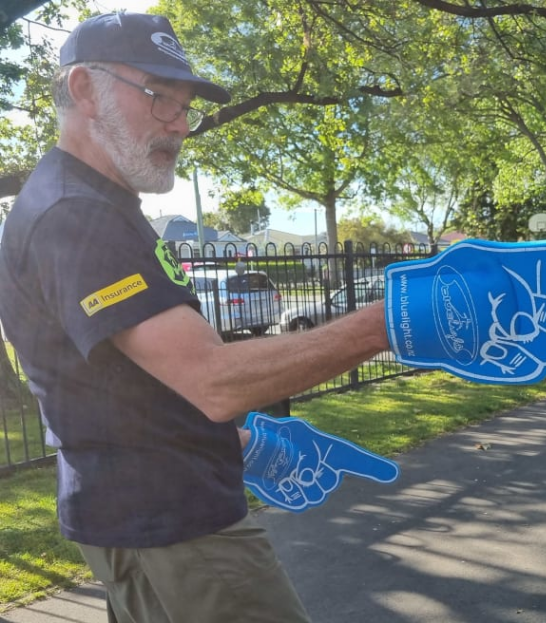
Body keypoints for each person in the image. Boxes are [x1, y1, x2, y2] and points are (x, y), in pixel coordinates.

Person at [0, 13, 394, 622]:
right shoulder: (76, 215)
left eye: (185, 107)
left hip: (151, 517)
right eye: (159, 99)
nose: (180, 124)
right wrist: (386, 323)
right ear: (82, 89)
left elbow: (120, 388)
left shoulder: (90, 203)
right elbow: (212, 380)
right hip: (171, 528)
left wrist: (243, 441)